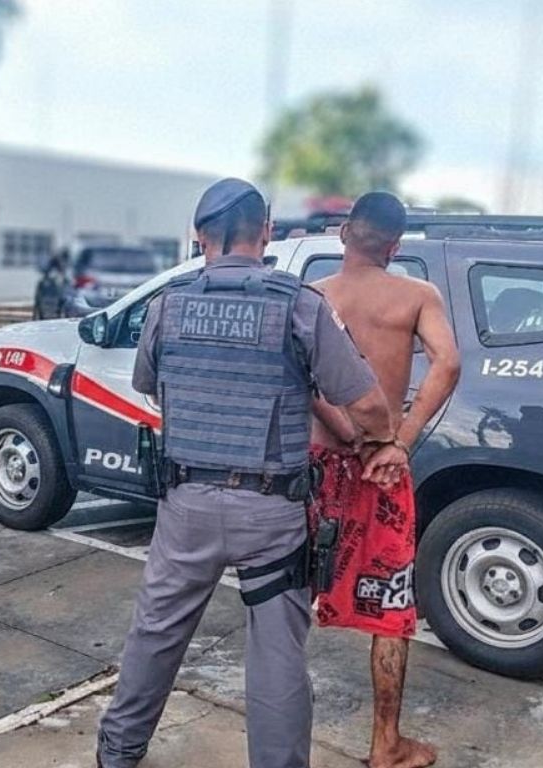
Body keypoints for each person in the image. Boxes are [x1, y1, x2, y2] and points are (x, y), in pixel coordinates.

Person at [96, 178, 395, 768]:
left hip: (187, 507)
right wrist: (382, 439)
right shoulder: (299, 304)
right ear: (266, 232)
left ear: (199, 236)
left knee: (155, 636)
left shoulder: (167, 304)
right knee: (278, 658)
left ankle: (118, 752)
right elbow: (365, 404)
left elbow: (149, 384)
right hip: (272, 512)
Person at [309, 192, 461, 768]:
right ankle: (385, 745)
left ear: (345, 233)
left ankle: (280, 729)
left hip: (316, 465)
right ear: (395, 247)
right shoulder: (417, 296)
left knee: (289, 595)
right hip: (381, 469)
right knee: (391, 607)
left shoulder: (314, 297)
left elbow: (303, 380)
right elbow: (447, 362)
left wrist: (341, 429)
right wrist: (398, 438)